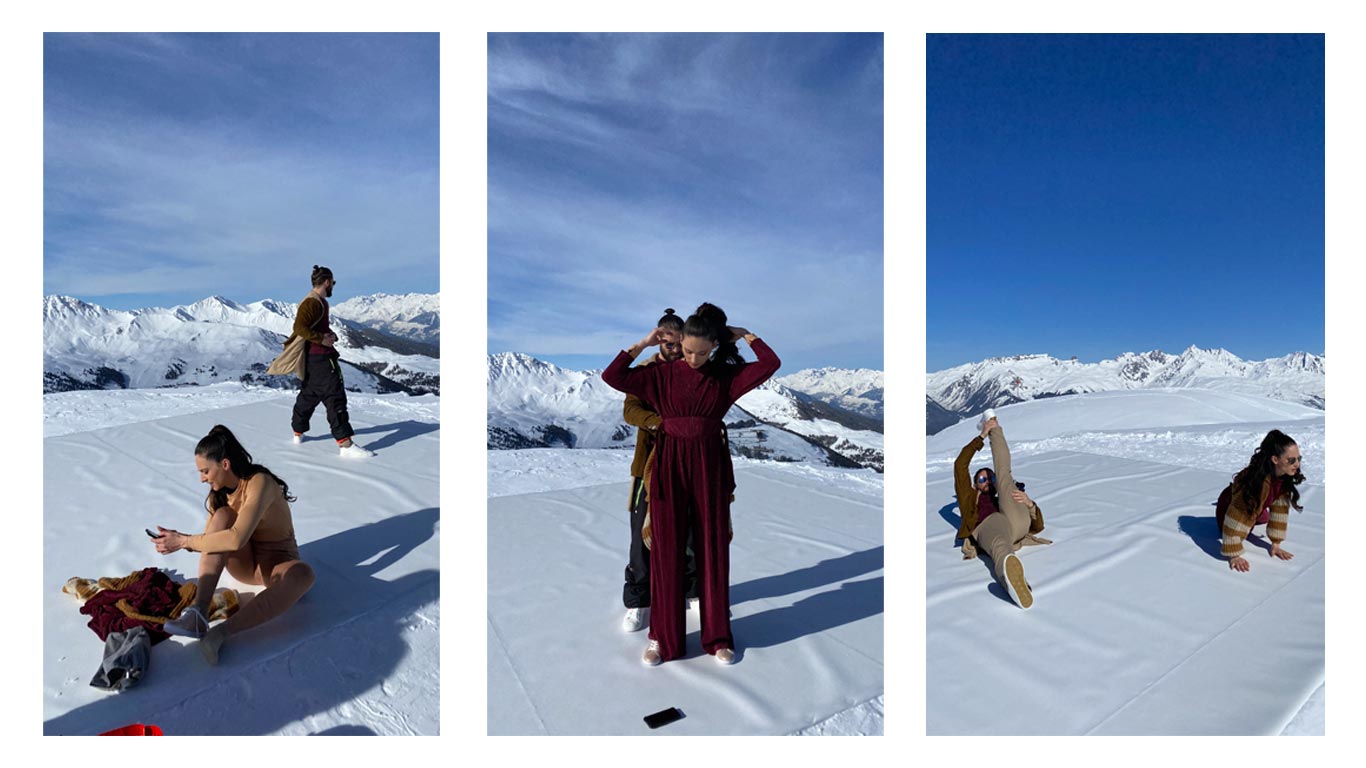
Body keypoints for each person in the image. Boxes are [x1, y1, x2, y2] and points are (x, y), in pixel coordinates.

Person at [602, 302, 779, 666]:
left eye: (701, 352)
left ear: (713, 346)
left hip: (710, 467)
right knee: (665, 549)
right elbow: (613, 375)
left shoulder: (725, 377)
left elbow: (770, 364)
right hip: (668, 465)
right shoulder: (660, 375)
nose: (694, 359)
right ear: (679, 343)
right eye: (687, 351)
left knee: (712, 550)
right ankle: (661, 639)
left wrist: (745, 334)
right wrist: (645, 342)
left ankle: (718, 637)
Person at [152, 425, 317, 665]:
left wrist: (185, 541)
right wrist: (182, 541)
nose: (202, 478)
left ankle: (221, 633)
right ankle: (198, 613)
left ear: (225, 465)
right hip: (245, 564)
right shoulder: (218, 495)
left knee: (303, 574)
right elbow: (215, 538)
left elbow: (236, 538)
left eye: (205, 471)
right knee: (222, 516)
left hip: (275, 566)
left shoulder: (259, 482)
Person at [620, 309, 698, 633]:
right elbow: (630, 410)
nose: (675, 350)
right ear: (658, 341)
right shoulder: (645, 371)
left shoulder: (692, 369)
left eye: (679, 343)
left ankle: (691, 591)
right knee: (642, 531)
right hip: (649, 462)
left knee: (691, 529)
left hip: (687, 463)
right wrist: (658, 423)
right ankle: (640, 600)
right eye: (668, 344)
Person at [952, 410, 1050, 609]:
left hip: (1015, 523)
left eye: (990, 478)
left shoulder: (1002, 496)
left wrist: (1031, 505)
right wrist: (981, 437)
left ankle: (994, 427)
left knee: (1005, 473)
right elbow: (960, 465)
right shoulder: (969, 498)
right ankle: (1013, 584)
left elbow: (1038, 526)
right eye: (981, 479)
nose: (987, 480)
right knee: (1001, 548)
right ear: (974, 485)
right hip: (988, 526)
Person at [285, 265, 373, 458]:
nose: (333, 285)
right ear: (327, 282)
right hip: (322, 359)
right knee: (335, 398)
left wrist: (329, 335)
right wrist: (322, 339)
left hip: (313, 359)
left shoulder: (318, 301)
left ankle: (297, 432)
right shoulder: (313, 302)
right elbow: (299, 327)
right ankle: (345, 445)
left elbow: (312, 328)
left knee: (310, 394)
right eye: (332, 282)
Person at [1218, 429, 1304, 572]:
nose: (1297, 464)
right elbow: (1235, 517)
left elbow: (1280, 511)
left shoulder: (1283, 479)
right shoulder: (1254, 483)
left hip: (1257, 505)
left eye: (1298, 459)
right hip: (1228, 507)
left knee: (1262, 517)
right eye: (1291, 460)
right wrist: (1234, 554)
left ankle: (1257, 512)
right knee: (1246, 525)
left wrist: (1276, 543)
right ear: (1275, 460)